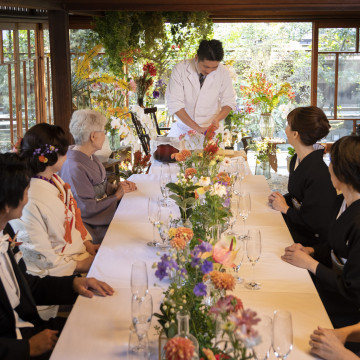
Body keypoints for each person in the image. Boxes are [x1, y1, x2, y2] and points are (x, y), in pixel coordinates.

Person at [0, 152, 114, 360]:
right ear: (7, 205)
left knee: (107, 330)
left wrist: (72, 285)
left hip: (30, 328)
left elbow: (27, 285)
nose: (29, 197)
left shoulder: (5, 232)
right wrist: (27, 348)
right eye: (26, 191)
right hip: (16, 347)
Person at [282, 136, 360, 328]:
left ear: (343, 171)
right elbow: (335, 245)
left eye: (331, 162)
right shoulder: (342, 201)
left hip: (346, 311)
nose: (328, 167)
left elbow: (352, 290)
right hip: (330, 286)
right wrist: (311, 251)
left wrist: (310, 263)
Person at [10, 123, 96, 280]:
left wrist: (86, 244)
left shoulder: (54, 179)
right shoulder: (29, 198)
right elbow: (39, 254)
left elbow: (73, 218)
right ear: (49, 157)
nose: (67, 155)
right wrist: (81, 265)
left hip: (78, 254)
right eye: (63, 152)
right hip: (60, 273)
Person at [59, 109, 137, 244]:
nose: (105, 136)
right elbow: (85, 208)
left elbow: (99, 186)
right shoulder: (74, 166)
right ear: (93, 136)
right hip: (89, 226)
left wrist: (117, 187)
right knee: (132, 232)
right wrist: (116, 196)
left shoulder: (88, 156)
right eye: (103, 132)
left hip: (100, 213)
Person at [268, 106, 337, 247]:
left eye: (288, 125)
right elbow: (297, 196)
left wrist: (285, 208)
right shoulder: (297, 159)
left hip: (311, 242)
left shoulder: (318, 173)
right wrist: (280, 198)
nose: (285, 129)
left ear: (295, 134)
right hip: (298, 225)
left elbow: (314, 222)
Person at [165, 39, 236, 146]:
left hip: (212, 132)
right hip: (184, 130)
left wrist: (217, 119)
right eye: (206, 66)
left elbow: (229, 102)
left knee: (212, 162)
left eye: (214, 67)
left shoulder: (223, 73)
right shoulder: (180, 70)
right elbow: (175, 104)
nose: (209, 71)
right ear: (196, 57)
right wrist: (197, 128)